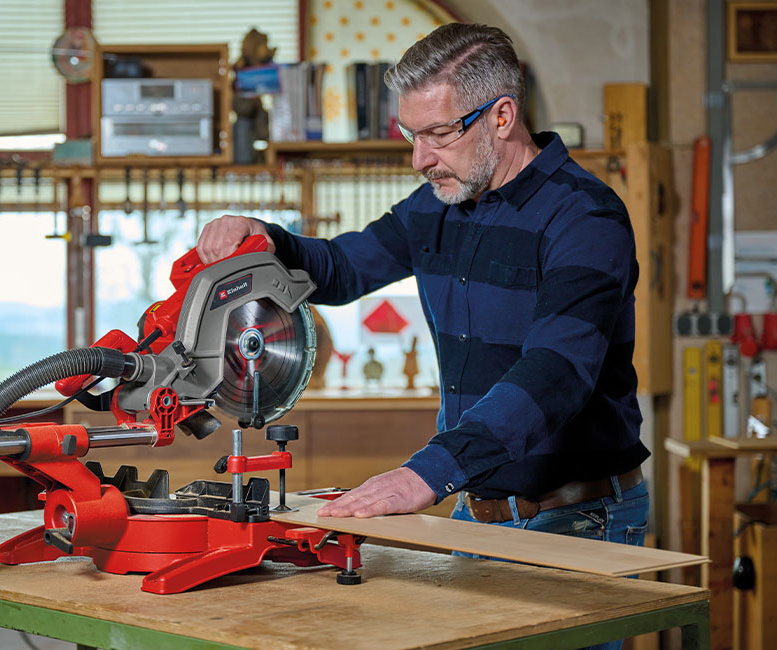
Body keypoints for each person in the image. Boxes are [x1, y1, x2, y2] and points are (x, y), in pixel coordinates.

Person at [198, 24, 649, 647]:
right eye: (411, 135)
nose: (420, 158)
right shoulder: (439, 204)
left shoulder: (586, 217)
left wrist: (425, 474)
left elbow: (555, 373)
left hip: (575, 517)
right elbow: (343, 266)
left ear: (502, 116)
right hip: (477, 508)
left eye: (439, 134)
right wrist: (266, 237)